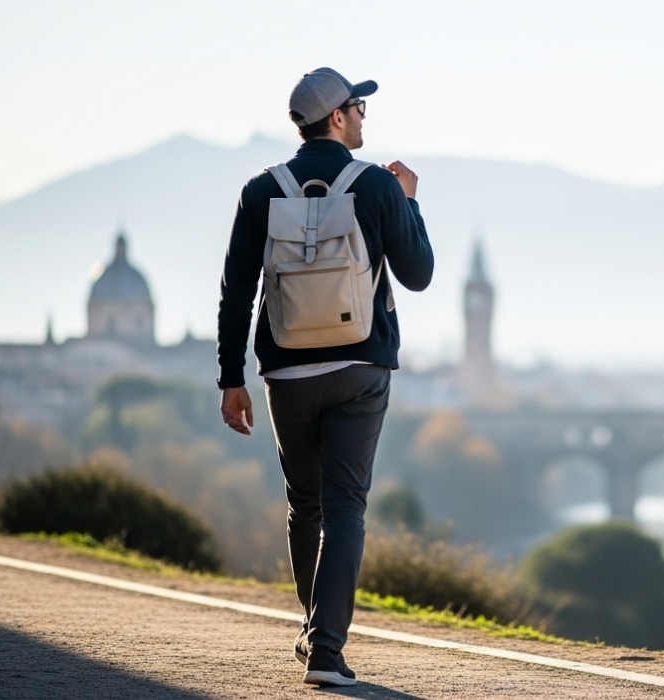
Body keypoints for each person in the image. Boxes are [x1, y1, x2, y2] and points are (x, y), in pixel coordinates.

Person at [216, 67, 433, 687]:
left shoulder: (261, 190)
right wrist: (410, 202)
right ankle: (326, 652)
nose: (365, 115)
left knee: (304, 505)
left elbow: (238, 290)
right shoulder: (376, 186)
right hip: (360, 368)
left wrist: (231, 377)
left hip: (286, 370)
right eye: (358, 106)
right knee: (345, 508)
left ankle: (316, 632)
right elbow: (417, 273)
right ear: (336, 118)